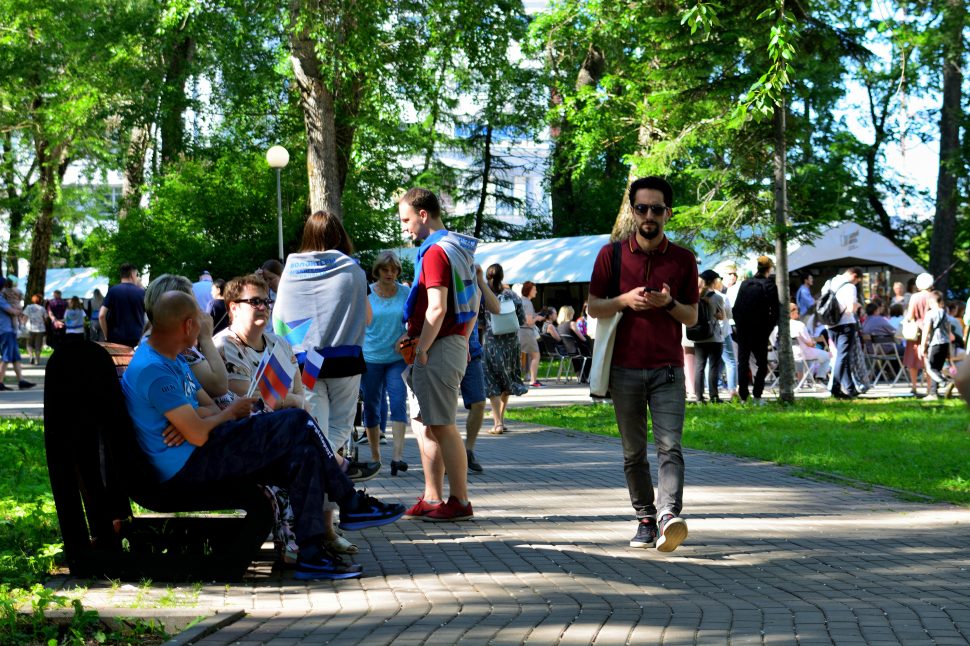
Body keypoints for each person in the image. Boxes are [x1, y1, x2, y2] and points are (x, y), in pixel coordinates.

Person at [121, 290, 405, 580]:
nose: (207, 323)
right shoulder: (154, 370)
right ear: (188, 326)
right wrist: (223, 415)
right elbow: (196, 433)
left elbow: (204, 409)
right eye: (201, 320)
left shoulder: (173, 358)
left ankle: (311, 553)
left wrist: (199, 419)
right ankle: (350, 501)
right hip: (186, 467)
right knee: (296, 420)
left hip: (201, 449)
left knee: (302, 454)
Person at [588, 175, 698, 553]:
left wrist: (668, 304)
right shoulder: (611, 255)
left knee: (671, 447)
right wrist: (624, 300)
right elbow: (593, 306)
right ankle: (645, 518)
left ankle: (669, 516)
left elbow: (692, 318)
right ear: (632, 211)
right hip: (624, 370)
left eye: (656, 209)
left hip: (668, 369)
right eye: (641, 208)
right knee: (633, 452)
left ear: (668, 213)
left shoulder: (683, 259)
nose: (648, 215)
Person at [273, 211, 376, 480]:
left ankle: (312, 471)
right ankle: (326, 468)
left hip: (306, 361)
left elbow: (280, 318)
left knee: (314, 425)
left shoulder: (290, 272)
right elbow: (367, 317)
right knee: (340, 428)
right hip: (346, 360)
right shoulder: (353, 271)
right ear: (340, 236)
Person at [397, 187, 477, 522]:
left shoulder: (434, 253)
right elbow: (473, 305)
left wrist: (422, 349)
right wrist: (465, 341)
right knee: (426, 425)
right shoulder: (458, 247)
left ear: (423, 215)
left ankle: (459, 500)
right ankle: (433, 497)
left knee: (442, 425)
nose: (404, 228)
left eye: (406, 219)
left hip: (436, 347)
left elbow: (437, 308)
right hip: (447, 344)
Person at [361, 251, 410, 476]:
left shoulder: (405, 292)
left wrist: (406, 335)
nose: (390, 273)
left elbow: (417, 319)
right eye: (385, 269)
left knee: (399, 400)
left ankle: (397, 457)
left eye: (393, 270)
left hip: (397, 358)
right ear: (377, 271)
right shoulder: (366, 293)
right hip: (370, 357)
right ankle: (375, 457)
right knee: (372, 405)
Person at [483, 264, 528, 435]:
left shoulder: (484, 296)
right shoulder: (512, 295)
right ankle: (501, 419)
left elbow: (479, 320)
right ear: (502, 276)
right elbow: (522, 320)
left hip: (492, 344)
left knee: (492, 383)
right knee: (506, 381)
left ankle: (497, 423)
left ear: (487, 277)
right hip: (511, 345)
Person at [732, 256, 778, 404]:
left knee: (742, 362)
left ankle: (743, 396)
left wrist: (739, 326)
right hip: (760, 330)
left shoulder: (745, 284)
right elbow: (775, 311)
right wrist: (768, 329)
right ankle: (757, 394)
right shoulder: (770, 285)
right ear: (769, 269)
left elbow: (736, 308)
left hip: (744, 329)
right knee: (762, 363)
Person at [823, 267, 863, 399]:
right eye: (857, 281)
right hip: (845, 323)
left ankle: (850, 388)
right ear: (854, 276)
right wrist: (858, 305)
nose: (856, 283)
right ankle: (835, 387)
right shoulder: (850, 287)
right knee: (843, 356)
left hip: (830, 324)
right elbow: (851, 308)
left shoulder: (829, 282)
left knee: (841, 356)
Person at [692, 270, 726, 403]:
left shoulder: (695, 295)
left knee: (699, 367)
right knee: (713, 366)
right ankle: (714, 396)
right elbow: (722, 316)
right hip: (714, 336)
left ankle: (699, 397)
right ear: (713, 281)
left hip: (698, 335)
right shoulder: (717, 297)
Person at [99, 263, 146, 348]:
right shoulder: (141, 293)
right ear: (132, 274)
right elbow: (151, 317)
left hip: (115, 339)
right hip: (136, 339)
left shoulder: (113, 291)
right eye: (137, 275)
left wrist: (107, 335)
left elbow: (101, 315)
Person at [780, 302, 831, 380]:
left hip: (785, 354)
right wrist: (813, 343)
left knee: (810, 355)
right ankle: (819, 377)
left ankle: (808, 379)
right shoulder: (799, 325)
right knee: (829, 356)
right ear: (793, 312)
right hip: (801, 353)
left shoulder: (779, 326)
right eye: (797, 310)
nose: (798, 312)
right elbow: (809, 343)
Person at [903, 272, 934, 396]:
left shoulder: (915, 297)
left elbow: (910, 316)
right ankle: (929, 387)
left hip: (915, 331)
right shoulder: (933, 296)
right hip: (930, 330)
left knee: (913, 359)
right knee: (928, 359)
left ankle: (914, 386)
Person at [919, 291, 951, 401]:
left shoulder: (930, 313)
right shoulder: (945, 313)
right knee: (937, 368)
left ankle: (945, 382)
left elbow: (926, 330)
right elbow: (949, 329)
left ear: (932, 301)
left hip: (935, 343)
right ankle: (933, 393)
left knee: (930, 368)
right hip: (945, 343)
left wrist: (923, 345)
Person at [0, 290, 34, 390]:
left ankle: (21, 381)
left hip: (10, 330)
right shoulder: (1, 299)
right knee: (6, 357)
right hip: (5, 331)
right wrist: (19, 311)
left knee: (15, 358)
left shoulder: (4, 298)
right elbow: (12, 311)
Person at [518, 281, 542, 388]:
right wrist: (537, 318)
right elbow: (528, 321)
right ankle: (533, 381)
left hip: (520, 331)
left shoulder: (521, 301)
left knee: (519, 357)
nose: (536, 291)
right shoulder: (528, 303)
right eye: (534, 289)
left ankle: (520, 379)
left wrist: (536, 315)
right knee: (536, 356)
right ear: (529, 291)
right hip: (527, 332)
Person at [23, 294, 47, 365]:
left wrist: (22, 325)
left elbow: (25, 317)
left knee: (29, 344)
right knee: (38, 346)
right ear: (40, 300)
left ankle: (31, 356)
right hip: (40, 329)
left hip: (30, 328)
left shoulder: (28, 307)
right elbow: (45, 319)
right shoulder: (42, 308)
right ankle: (37, 361)